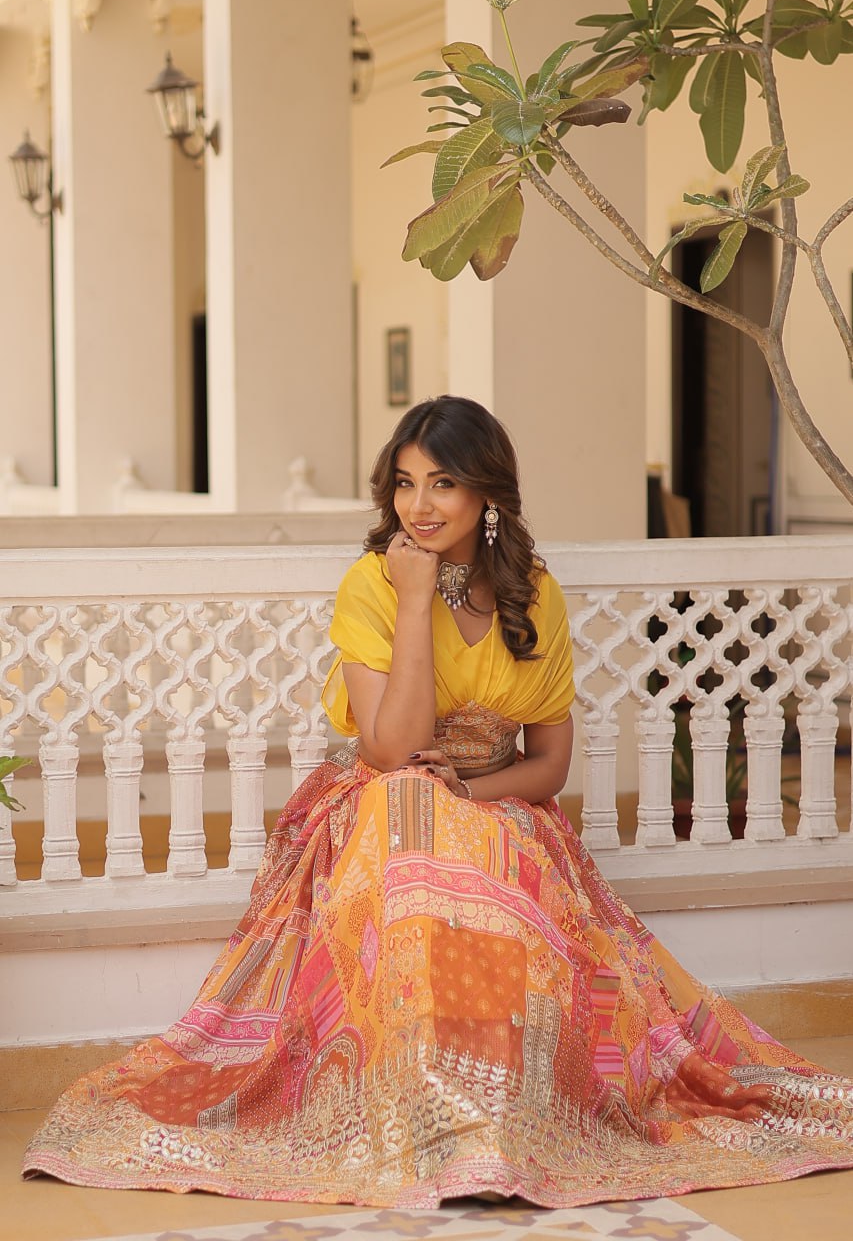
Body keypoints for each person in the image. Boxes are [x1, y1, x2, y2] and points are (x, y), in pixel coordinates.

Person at [23, 397, 853, 1207]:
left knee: (470, 854)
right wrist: (415, 598)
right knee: (411, 822)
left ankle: (499, 1114)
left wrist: (471, 789)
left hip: (498, 805)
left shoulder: (534, 593)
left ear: (487, 492)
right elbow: (390, 750)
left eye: (442, 483)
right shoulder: (372, 584)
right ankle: (429, 1118)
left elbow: (548, 765)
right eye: (404, 482)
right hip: (384, 810)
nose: (417, 505)